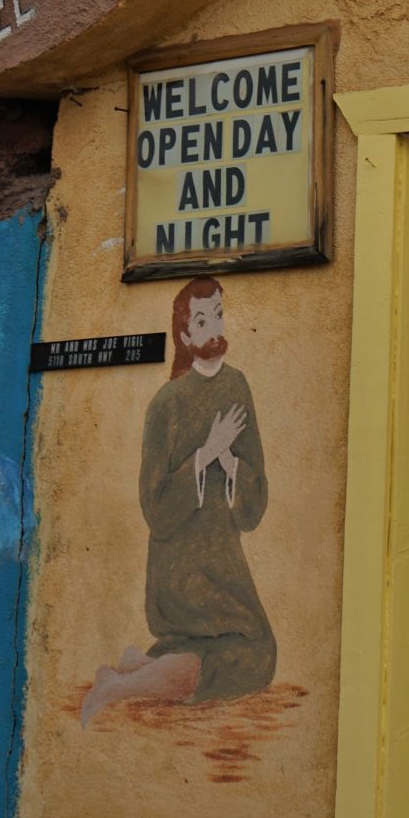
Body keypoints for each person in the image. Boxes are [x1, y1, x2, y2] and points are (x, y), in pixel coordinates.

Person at [80, 278, 277, 726]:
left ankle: (138, 665)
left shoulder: (238, 388)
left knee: (246, 651)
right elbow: (155, 508)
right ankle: (120, 685)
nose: (215, 329)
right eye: (203, 321)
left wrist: (228, 461)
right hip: (178, 569)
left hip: (223, 560)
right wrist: (205, 453)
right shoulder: (166, 404)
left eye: (219, 316)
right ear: (186, 337)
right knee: (252, 655)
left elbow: (254, 501)